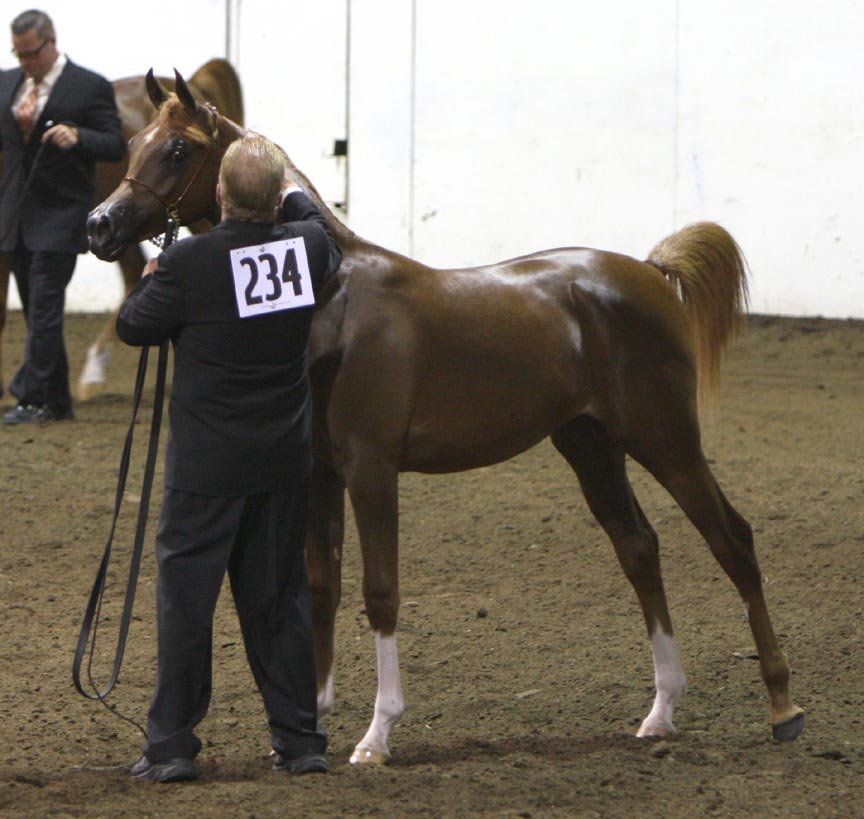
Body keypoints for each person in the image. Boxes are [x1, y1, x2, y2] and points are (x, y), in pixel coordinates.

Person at [116, 134, 342, 783]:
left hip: (207, 469)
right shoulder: (308, 249)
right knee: (279, 600)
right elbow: (312, 220)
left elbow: (134, 325)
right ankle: (299, 738)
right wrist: (291, 187)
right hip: (280, 460)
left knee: (187, 602)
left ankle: (174, 744)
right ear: (274, 196)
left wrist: (154, 277)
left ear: (218, 194)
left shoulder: (191, 262)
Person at [0, 9, 125, 425]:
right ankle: (59, 401)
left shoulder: (87, 86)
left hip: (60, 215)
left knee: (44, 311)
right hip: (16, 216)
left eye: (31, 54)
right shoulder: (7, 84)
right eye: (18, 55)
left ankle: (31, 398)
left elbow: (114, 145)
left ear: (51, 42)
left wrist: (79, 137)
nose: (25, 64)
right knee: (39, 311)